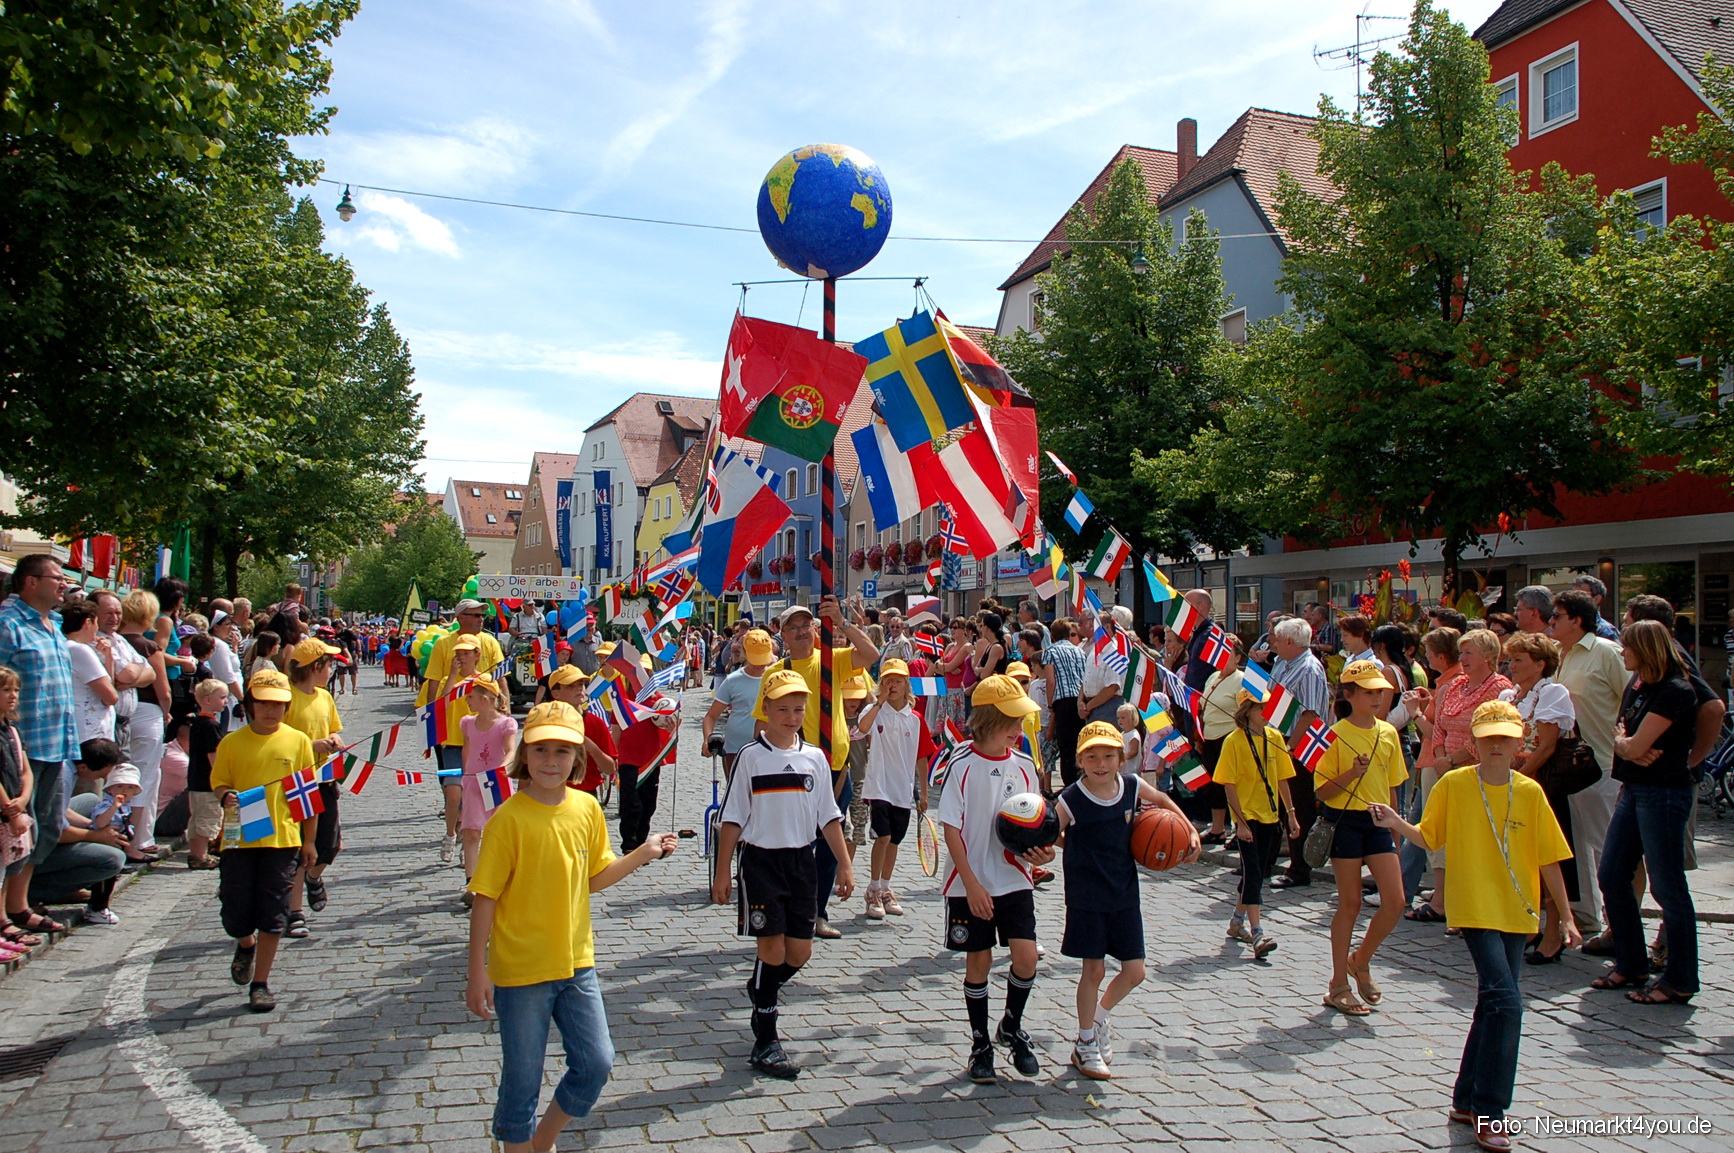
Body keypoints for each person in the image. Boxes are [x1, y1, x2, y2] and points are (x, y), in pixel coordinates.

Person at [465, 700, 674, 1152]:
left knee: (596, 1063)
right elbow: (485, 898)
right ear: (524, 756)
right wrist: (476, 971)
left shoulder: (585, 810)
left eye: (563, 752)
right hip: (520, 972)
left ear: (578, 758)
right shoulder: (508, 820)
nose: (551, 761)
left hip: (577, 964)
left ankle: (543, 1142)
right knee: (522, 1081)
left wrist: (643, 853)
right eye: (541, 751)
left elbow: (594, 878)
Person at [1371, 700, 1578, 1153]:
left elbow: (1549, 859)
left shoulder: (1530, 792)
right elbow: (1430, 837)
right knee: (1507, 1003)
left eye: (1505, 737)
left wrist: (1562, 916)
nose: (1497, 746)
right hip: (1473, 909)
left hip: (1518, 913)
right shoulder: (1454, 784)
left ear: (1520, 740)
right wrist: (1396, 823)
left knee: (1492, 1004)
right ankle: (1490, 1111)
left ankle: (1465, 1100)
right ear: (1474, 743)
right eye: (1488, 739)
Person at [711, 669, 854, 1080]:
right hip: (761, 863)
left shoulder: (814, 758)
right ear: (767, 710)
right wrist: (723, 872)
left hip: (801, 863)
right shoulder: (750, 758)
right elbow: (733, 817)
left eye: (798, 708)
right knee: (770, 950)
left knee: (799, 952)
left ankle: (762, 991)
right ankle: (766, 1039)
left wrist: (844, 862)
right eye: (782, 709)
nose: (791, 716)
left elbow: (829, 815)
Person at [1060, 721, 1197, 1080]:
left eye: (1108, 755)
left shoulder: (1132, 786)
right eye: (1092, 756)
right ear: (1080, 760)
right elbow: (1051, 831)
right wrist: (1053, 848)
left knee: (1135, 972)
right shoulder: (1071, 798)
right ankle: (1085, 1041)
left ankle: (1100, 1017)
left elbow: (1163, 801)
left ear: (1122, 758)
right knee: (1094, 970)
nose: (1101, 763)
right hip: (1087, 895)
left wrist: (1190, 832)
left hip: (1124, 893)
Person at [939, 674, 1052, 1085]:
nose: (1020, 729)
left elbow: (1035, 824)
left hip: (1014, 878)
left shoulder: (1023, 766)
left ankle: (1011, 1025)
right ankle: (980, 1042)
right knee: (979, 961)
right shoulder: (962, 764)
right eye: (1014, 720)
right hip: (970, 882)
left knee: (1025, 956)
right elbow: (950, 826)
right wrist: (970, 882)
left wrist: (1041, 852)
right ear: (989, 720)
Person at [1591, 619, 1700, 1004]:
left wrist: (1628, 743)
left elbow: (1632, 744)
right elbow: (1625, 737)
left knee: (1667, 886)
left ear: (1647, 649)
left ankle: (1680, 978)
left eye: (1628, 646)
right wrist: (1628, 743)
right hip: (1634, 787)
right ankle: (1631, 962)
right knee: (1613, 873)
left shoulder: (1675, 690)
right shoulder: (1638, 685)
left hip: (1664, 793)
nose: (1622, 652)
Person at [212, 669, 318, 1012]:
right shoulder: (231, 742)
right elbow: (219, 782)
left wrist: (309, 842)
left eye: (279, 705)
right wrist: (226, 794)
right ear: (250, 705)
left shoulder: (298, 741)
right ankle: (245, 943)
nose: (271, 711)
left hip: (282, 839)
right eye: (264, 704)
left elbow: (308, 797)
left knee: (274, 913)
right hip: (239, 840)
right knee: (235, 911)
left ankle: (261, 982)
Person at [1315, 661, 1409, 1016]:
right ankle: (1338, 983)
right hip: (1345, 821)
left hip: (1380, 820)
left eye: (1380, 691)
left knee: (1396, 901)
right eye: (1368, 692)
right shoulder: (1334, 735)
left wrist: (1396, 827)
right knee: (1350, 903)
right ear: (1349, 696)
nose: (1376, 697)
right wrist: (1352, 773)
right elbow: (1323, 792)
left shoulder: (1388, 733)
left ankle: (1361, 959)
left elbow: (1393, 785)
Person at [0, 555, 81, 942]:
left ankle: (19, 904)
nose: (64, 583)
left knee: (43, 829)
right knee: (15, 833)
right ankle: (5, 913)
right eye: (56, 577)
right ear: (30, 582)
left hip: (56, 743)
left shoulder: (55, 624)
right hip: (22, 745)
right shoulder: (8, 623)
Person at [1549, 589, 1627, 945]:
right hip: (1572, 769)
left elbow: (1633, 699)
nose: (1551, 622)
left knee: (1605, 849)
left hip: (1606, 765)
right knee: (1577, 846)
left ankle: (1620, 925)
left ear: (1576, 620)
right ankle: (1586, 917)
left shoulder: (1606, 652)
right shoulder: (1562, 656)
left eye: (1557, 616)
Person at [1497, 633, 1578, 962]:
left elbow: (1546, 745)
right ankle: (1524, 923)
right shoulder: (1512, 694)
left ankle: (1554, 931)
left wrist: (1522, 778)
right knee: (1518, 856)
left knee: (1547, 855)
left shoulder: (1553, 693)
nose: (1512, 666)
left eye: (1519, 660)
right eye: (1511, 659)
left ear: (1541, 664)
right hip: (1512, 781)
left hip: (1540, 784)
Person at [1212, 693, 1299, 958]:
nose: (1266, 712)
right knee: (1253, 875)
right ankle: (1258, 932)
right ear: (1247, 710)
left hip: (1270, 816)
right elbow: (1228, 785)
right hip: (1246, 816)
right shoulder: (1234, 741)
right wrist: (1238, 822)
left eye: (1268, 708)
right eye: (1261, 708)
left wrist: (1291, 814)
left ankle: (1237, 923)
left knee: (1258, 872)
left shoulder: (1274, 738)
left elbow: (1283, 778)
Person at [854, 659, 935, 920]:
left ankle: (886, 887)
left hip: (902, 789)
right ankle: (873, 888)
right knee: (883, 836)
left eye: (898, 680)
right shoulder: (874, 710)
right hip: (878, 786)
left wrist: (923, 793)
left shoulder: (915, 718)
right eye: (888, 680)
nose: (893, 685)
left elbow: (922, 757)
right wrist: (878, 702)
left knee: (895, 840)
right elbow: (862, 728)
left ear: (907, 684)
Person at [283, 636, 344, 937]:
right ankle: (294, 911)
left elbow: (334, 728)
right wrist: (311, 744)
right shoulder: (288, 699)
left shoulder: (325, 697)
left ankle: (314, 878)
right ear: (314, 666)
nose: (331, 668)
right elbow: (279, 740)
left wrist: (335, 741)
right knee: (299, 849)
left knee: (330, 845)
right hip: (297, 783)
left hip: (325, 778)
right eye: (328, 663)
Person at [1269, 617, 1331, 889]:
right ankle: (1269, 860)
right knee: (1278, 804)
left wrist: (1291, 747)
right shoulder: (1283, 663)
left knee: (1298, 805)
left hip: (1299, 745)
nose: (1274, 643)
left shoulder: (1308, 669)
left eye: (1278, 639)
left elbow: (1311, 714)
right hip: (1277, 737)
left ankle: (1300, 868)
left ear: (1291, 642)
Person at [457, 677, 518, 901]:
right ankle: (471, 883)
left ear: (484, 699)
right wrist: (466, 776)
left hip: (496, 783)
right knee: (471, 831)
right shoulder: (467, 723)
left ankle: (503, 879)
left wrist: (501, 770)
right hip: (474, 782)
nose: (467, 701)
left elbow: (511, 750)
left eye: (470, 697)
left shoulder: (505, 724)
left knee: (500, 832)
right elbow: (467, 750)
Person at [703, 629, 774, 778]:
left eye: (762, 659)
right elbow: (711, 716)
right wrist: (707, 740)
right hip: (735, 748)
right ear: (745, 653)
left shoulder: (776, 677)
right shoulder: (733, 680)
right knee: (736, 795)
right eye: (755, 659)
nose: (759, 665)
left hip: (769, 748)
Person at [81, 762, 143, 924]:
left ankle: (102, 906)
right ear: (109, 789)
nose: (124, 791)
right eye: (120, 786)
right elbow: (100, 823)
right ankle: (97, 907)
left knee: (110, 880)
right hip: (104, 847)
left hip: (116, 846)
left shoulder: (126, 807)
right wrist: (113, 808)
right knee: (102, 882)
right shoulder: (107, 805)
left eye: (129, 787)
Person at [616, 695, 678, 853]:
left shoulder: (660, 701)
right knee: (630, 803)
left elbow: (671, 728)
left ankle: (642, 842)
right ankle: (629, 845)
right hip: (628, 759)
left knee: (648, 804)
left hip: (651, 760)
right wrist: (615, 757)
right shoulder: (623, 700)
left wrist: (672, 728)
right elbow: (616, 730)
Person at [543, 666, 619, 794]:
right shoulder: (544, 722)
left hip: (586, 794)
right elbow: (527, 767)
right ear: (556, 693)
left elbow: (610, 768)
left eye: (581, 684)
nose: (579, 688)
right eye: (570, 686)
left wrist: (592, 748)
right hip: (550, 794)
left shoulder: (596, 723)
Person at [185, 679, 230, 869]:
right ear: (207, 700)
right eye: (222, 697)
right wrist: (222, 778)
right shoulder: (210, 726)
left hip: (195, 779)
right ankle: (201, 856)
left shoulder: (197, 722)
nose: (226, 701)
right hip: (207, 782)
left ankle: (195, 853)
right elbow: (213, 755)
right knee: (207, 820)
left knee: (196, 818)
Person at [59, 599, 118, 743]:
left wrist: (108, 657)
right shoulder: (80, 650)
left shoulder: (63, 646)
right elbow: (110, 696)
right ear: (88, 623)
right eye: (96, 622)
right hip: (91, 734)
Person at [1045, 619, 1088, 788]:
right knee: (1079, 742)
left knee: (1066, 746)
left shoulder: (1051, 651)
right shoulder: (1079, 651)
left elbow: (1050, 681)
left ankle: (1070, 785)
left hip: (1062, 700)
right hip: (1079, 698)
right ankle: (1081, 780)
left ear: (1052, 635)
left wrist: (1050, 705)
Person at [1077, 606, 1131, 725]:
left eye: (1095, 626)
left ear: (1106, 627)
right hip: (1091, 707)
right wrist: (1080, 702)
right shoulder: (1095, 649)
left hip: (1108, 707)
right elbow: (1085, 679)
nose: (1092, 629)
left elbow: (1112, 687)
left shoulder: (1115, 651)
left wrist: (1088, 706)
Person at [1572, 575, 1622, 642]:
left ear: (1596, 599)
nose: (1573, 600)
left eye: (1580, 596)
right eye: (1572, 596)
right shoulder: (1565, 627)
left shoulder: (1606, 632)